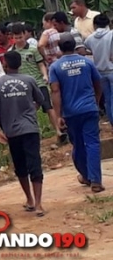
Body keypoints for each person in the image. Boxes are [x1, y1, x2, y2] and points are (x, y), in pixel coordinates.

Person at [0, 51, 47, 217]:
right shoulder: (29, 80)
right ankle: (39, 204)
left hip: (11, 131)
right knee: (35, 163)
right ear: (20, 63)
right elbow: (41, 99)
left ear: (5, 64)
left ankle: (29, 199)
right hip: (30, 129)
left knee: (20, 165)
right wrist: (31, 112)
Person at [50, 33, 105, 193]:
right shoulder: (87, 62)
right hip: (89, 109)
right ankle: (95, 180)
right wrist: (95, 101)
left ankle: (86, 175)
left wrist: (58, 115)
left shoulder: (55, 67)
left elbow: (55, 91)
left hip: (71, 113)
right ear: (74, 45)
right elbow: (98, 83)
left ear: (59, 48)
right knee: (93, 143)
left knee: (78, 145)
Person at [10, 24, 67, 145]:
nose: (19, 39)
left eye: (21, 37)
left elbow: (40, 64)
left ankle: (59, 131)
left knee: (48, 107)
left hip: (38, 82)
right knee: (29, 111)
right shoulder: (12, 52)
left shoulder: (33, 49)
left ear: (25, 35)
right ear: (13, 37)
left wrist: (45, 75)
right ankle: (32, 134)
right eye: (16, 37)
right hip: (23, 86)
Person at [84, 13, 113, 125]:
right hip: (111, 69)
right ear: (108, 23)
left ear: (94, 25)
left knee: (108, 100)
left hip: (99, 72)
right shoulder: (111, 34)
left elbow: (87, 48)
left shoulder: (90, 39)